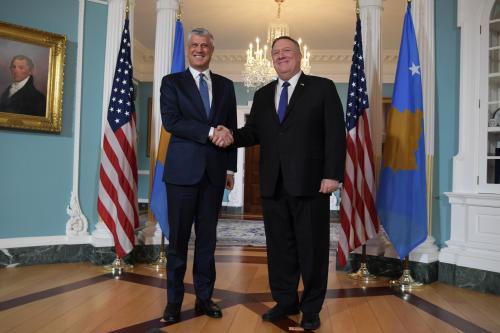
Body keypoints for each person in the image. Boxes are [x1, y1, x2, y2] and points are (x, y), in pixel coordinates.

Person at [213, 36, 346, 330]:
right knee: (280, 248)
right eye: (276, 53)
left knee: (311, 248)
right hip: (273, 186)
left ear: (299, 56)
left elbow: (336, 134)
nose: (281, 56)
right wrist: (231, 135)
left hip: (312, 185)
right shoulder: (262, 95)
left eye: (287, 51)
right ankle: (285, 301)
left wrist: (333, 175)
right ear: (271, 60)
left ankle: (311, 308)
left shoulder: (322, 88)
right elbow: (252, 133)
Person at [160, 27, 237, 324]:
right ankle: (173, 302)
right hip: (181, 174)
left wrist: (230, 168)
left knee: (208, 242)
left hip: (215, 174)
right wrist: (209, 132)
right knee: (178, 242)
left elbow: (229, 128)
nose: (199, 49)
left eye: (205, 45)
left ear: (211, 50)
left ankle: (205, 297)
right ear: (188, 49)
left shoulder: (226, 85)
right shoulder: (172, 83)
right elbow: (172, 122)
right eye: (195, 45)